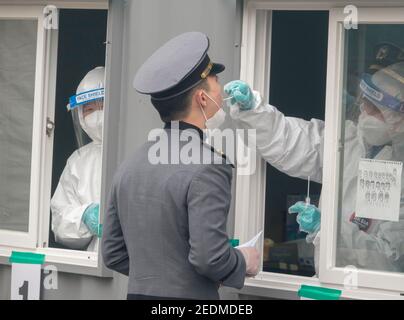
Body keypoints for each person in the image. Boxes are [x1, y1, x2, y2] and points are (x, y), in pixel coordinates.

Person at [102, 32, 260, 300]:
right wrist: (244, 260)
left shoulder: (130, 164)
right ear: (201, 98)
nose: (221, 89)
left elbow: (113, 253)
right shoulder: (209, 166)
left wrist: (167, 277)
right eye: (216, 80)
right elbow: (210, 258)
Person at [225, 61, 404, 273]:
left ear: (398, 117)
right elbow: (292, 141)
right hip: (330, 284)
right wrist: (254, 112)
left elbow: (389, 260)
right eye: (364, 102)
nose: (364, 111)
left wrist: (327, 229)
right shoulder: (348, 142)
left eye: (374, 109)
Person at [51, 66, 105, 251]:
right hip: (95, 263)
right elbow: (59, 222)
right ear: (80, 115)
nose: (97, 115)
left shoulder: (134, 150)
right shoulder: (78, 162)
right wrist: (84, 216)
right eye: (89, 109)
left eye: (103, 106)